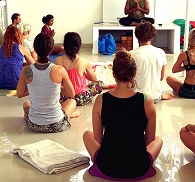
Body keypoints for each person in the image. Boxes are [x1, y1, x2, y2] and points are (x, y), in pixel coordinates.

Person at [83, 48, 162, 180]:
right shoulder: (146, 101)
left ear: (113, 74)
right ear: (135, 73)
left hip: (107, 167)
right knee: (158, 139)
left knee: (87, 135)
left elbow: (98, 139)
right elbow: (149, 140)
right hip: (139, 167)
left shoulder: (101, 100)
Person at [16, 33, 79, 133]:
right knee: (72, 102)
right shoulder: (59, 70)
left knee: (26, 104)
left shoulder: (27, 70)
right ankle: (70, 114)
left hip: (34, 125)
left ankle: (28, 116)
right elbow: (71, 94)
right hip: (57, 124)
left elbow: (19, 94)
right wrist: (54, 88)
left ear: (35, 49)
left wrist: (36, 88)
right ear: (50, 50)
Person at [54, 32, 104, 106]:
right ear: (79, 46)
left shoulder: (57, 60)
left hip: (63, 97)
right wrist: (85, 74)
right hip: (80, 97)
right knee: (99, 83)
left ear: (65, 46)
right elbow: (94, 79)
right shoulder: (84, 62)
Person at [130, 22, 170, 101]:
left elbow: (128, 79)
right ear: (152, 37)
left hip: (136, 98)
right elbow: (161, 77)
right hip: (155, 97)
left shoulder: (131, 54)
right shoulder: (161, 52)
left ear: (137, 37)